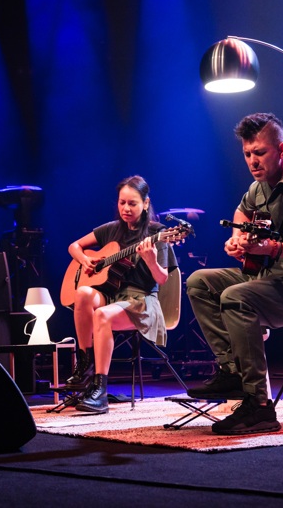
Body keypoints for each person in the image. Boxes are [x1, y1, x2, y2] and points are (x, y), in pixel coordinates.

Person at [186, 112, 283, 435]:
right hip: (274, 279)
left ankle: (258, 406)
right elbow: (242, 211)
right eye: (247, 154)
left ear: (281, 149)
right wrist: (237, 240)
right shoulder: (258, 188)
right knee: (200, 282)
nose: (253, 161)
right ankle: (232, 372)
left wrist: (274, 249)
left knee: (235, 297)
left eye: (260, 153)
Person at [63, 175, 178, 414]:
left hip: (142, 301)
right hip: (113, 295)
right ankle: (84, 363)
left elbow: (162, 278)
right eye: (122, 202)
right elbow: (74, 246)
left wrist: (151, 260)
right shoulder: (111, 230)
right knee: (83, 292)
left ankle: (100, 390)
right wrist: (86, 260)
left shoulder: (158, 233)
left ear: (146, 203)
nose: (126, 208)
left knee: (102, 315)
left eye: (132, 203)